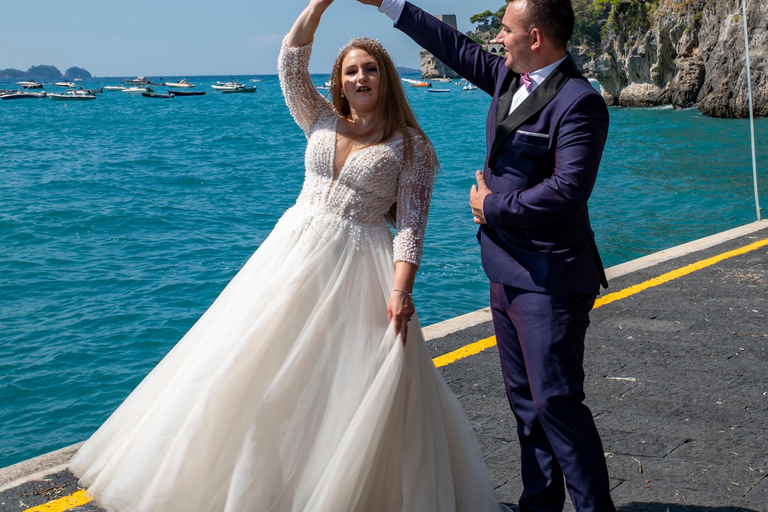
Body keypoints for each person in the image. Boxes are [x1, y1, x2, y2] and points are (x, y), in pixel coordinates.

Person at [68, 1, 503, 511]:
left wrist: (400, 292)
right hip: (290, 254)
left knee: (338, 386)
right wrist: (320, 4)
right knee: (251, 372)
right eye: (351, 70)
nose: (361, 77)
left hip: (359, 268)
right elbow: (290, 62)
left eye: (370, 69)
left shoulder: (412, 148)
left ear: (386, 79)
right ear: (339, 82)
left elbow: (410, 228)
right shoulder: (318, 116)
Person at [358, 0, 615, 511]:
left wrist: (492, 205)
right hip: (503, 269)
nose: (497, 38)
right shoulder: (506, 78)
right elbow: (451, 46)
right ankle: (539, 504)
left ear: (536, 37)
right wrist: (389, 4)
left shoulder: (580, 102)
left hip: (552, 276)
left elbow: (568, 190)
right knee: (525, 404)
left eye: (506, 28)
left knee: (556, 403)